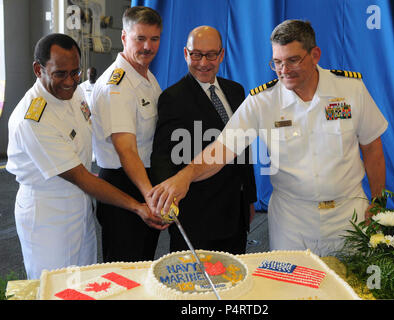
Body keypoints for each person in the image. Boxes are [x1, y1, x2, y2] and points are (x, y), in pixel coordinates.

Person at [149, 19, 388, 257]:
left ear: (315, 55)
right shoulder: (262, 100)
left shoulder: (350, 89)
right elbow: (222, 149)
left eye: (293, 60)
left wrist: (377, 202)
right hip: (292, 222)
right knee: (291, 290)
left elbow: (372, 148)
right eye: (277, 62)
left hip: (349, 215)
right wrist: (186, 176)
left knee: (353, 290)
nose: (284, 70)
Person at [6, 33, 165, 279]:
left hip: (80, 206)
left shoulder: (75, 93)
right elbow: (81, 177)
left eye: (75, 72)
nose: (70, 81)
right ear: (39, 69)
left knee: (85, 282)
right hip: (48, 213)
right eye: (60, 73)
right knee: (55, 286)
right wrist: (137, 207)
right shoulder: (33, 119)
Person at [150, 26, 257, 254]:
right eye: (196, 54)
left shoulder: (236, 91)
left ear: (222, 55)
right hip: (196, 216)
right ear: (186, 54)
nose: (203, 62)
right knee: (194, 286)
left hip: (236, 213)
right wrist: (167, 202)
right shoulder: (172, 98)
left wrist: (249, 197)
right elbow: (162, 157)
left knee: (235, 281)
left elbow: (243, 147)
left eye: (211, 55)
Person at [90, 6, 168, 263]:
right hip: (123, 185)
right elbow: (126, 150)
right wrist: (150, 197)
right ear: (124, 37)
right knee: (123, 272)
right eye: (140, 38)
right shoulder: (118, 85)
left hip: (142, 181)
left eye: (154, 39)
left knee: (144, 264)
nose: (148, 46)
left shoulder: (145, 76)